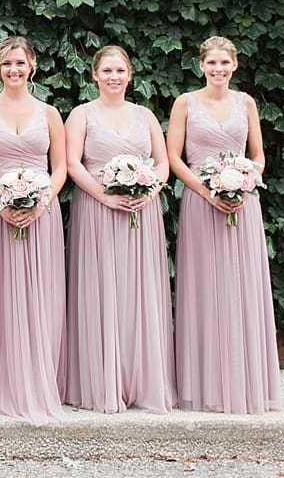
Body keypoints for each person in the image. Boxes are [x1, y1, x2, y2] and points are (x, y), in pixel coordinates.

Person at [168, 36, 279, 413]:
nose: (218, 70)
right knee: (205, 285)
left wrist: (245, 180)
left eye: (224, 64)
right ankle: (205, 383)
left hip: (243, 205)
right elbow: (173, 158)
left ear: (235, 66)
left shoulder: (246, 103)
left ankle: (244, 382)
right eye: (211, 63)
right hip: (201, 203)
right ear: (201, 66)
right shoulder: (185, 103)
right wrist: (207, 190)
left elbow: (259, 155)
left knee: (240, 284)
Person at [64, 46, 175, 413]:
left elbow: (162, 163)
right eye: (107, 70)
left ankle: (141, 381)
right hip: (96, 212)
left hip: (140, 214)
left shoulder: (145, 116)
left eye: (120, 70)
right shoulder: (81, 115)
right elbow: (72, 163)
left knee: (138, 292)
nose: (114, 77)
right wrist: (103, 196)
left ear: (130, 75)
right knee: (101, 290)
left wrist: (149, 189)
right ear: (94, 75)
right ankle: (102, 382)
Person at [0, 35, 67, 422]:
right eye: (7, 63)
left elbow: (59, 167)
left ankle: (41, 380)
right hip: (0, 214)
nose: (14, 69)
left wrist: (41, 200)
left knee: (41, 295)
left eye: (20, 63)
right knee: (2, 294)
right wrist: (0, 202)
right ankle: (5, 383)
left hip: (42, 213)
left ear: (32, 66)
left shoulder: (49, 112)